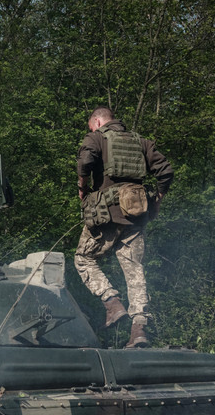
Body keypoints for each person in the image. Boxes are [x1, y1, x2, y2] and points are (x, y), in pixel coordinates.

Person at [74, 106, 173, 348]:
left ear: (97, 122)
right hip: (136, 217)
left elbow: (85, 161)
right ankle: (139, 331)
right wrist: (157, 202)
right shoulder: (142, 142)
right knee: (135, 272)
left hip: (106, 216)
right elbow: (166, 171)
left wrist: (82, 187)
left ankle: (112, 304)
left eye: (91, 126)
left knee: (83, 259)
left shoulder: (97, 137)